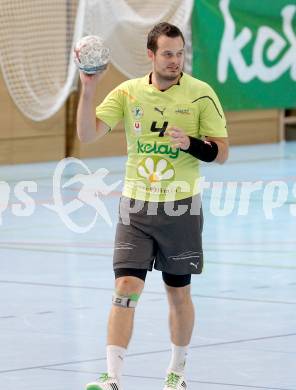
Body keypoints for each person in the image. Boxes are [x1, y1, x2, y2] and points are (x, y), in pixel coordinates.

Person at [77, 22, 229, 390]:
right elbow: (86, 134)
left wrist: (191, 144)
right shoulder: (129, 93)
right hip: (136, 208)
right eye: (167, 54)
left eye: (179, 54)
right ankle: (112, 377)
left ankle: (176, 372)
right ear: (151, 55)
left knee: (178, 293)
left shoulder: (201, 94)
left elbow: (221, 152)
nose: (175, 60)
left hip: (181, 207)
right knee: (126, 287)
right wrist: (89, 89)